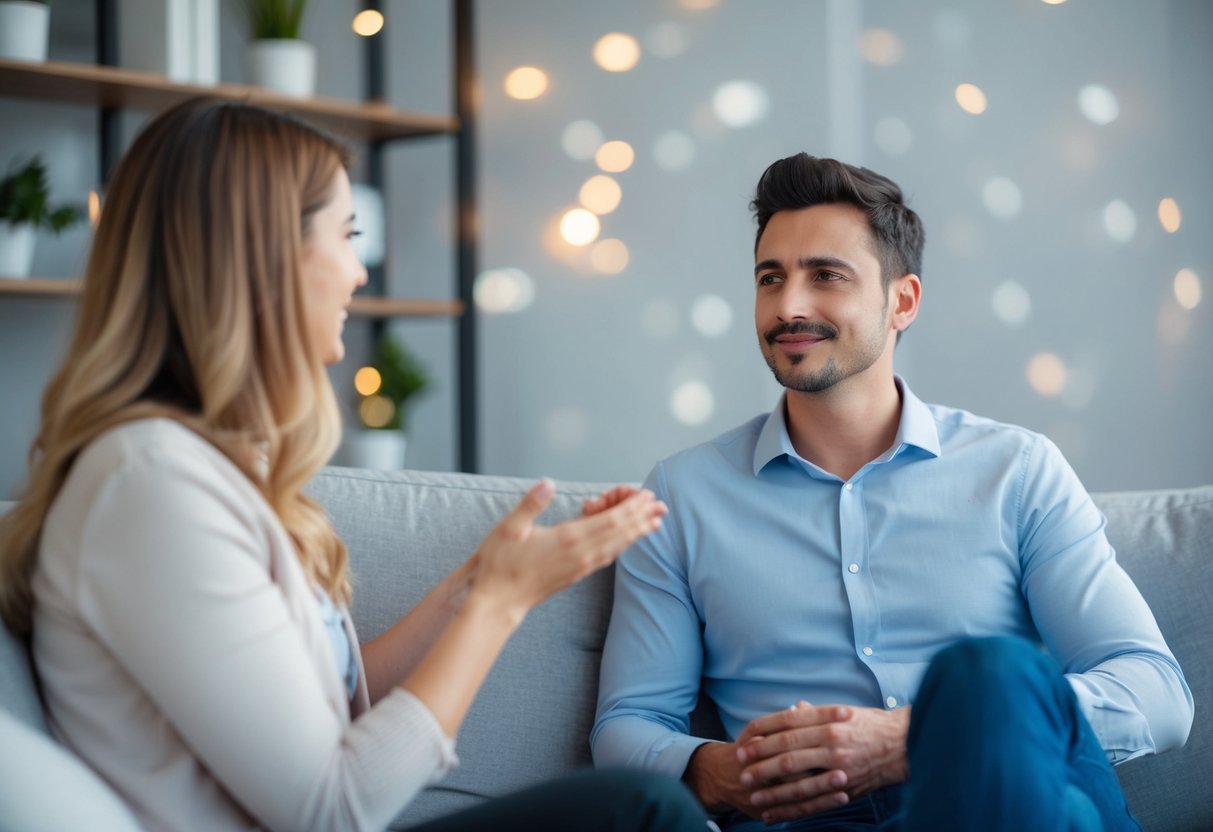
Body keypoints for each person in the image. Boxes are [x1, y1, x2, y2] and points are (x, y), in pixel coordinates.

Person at [0, 98, 710, 832]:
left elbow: (323, 712)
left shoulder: (195, 467)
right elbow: (333, 809)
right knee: (641, 809)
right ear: (263, 260)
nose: (358, 271)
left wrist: (478, 580)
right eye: (346, 234)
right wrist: (501, 604)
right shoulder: (147, 488)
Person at [591, 152, 1193, 831]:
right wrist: (719, 772)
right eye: (770, 278)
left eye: (825, 276)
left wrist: (917, 737)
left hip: (1011, 794)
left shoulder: (1016, 469)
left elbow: (1157, 694)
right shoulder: (683, 496)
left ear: (901, 301)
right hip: (811, 820)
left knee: (987, 675)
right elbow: (626, 726)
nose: (789, 306)